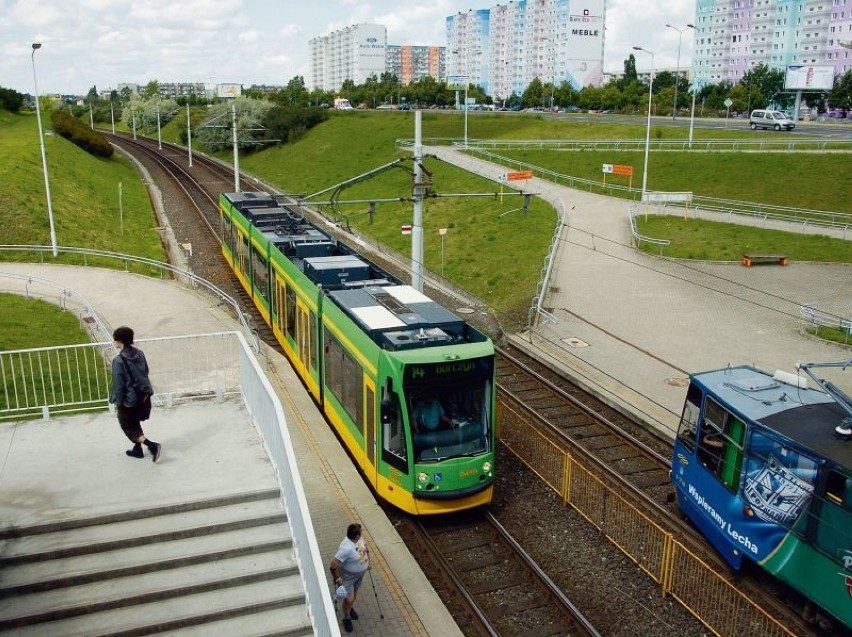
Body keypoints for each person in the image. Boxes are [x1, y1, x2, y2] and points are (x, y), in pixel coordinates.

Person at [110, 326, 161, 463]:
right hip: (142, 395)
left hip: (128, 399)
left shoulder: (118, 360)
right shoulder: (140, 354)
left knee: (126, 424)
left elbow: (118, 384)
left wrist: (119, 401)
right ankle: (137, 450)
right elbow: (145, 371)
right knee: (134, 421)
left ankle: (151, 445)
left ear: (119, 341)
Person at [329, 522, 370, 633]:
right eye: (360, 534)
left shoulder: (359, 540)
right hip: (348, 577)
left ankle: (350, 607)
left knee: (354, 592)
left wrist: (368, 562)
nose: (361, 535)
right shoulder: (346, 548)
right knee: (348, 599)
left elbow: (365, 548)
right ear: (356, 536)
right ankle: (346, 617)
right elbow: (333, 564)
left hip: (359, 575)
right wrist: (337, 578)